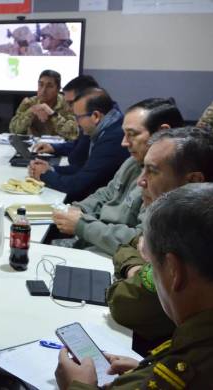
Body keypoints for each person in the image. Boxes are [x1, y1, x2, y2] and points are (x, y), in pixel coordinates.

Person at [55, 182, 213, 389]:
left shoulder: (186, 370)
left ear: (174, 271)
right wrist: (144, 369)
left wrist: (76, 385)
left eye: (153, 267)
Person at [107, 127, 213, 353]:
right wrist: (139, 265)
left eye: (152, 171)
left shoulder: (190, 238)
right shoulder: (171, 217)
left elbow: (122, 303)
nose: (140, 181)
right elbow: (130, 245)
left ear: (193, 180)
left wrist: (135, 270)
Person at [51, 99, 183, 256]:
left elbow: (142, 241)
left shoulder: (170, 179)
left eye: (132, 134)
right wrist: (80, 209)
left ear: (162, 133)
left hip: (115, 257)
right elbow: (107, 192)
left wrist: (83, 225)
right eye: (124, 134)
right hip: (95, 242)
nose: (124, 143)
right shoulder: (133, 161)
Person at [29, 88, 130, 203]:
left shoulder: (113, 139)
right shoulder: (108, 126)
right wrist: (51, 169)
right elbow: (86, 169)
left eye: (78, 118)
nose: (76, 123)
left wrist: (44, 174)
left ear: (96, 116)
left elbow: (77, 186)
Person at [34, 75, 101, 168]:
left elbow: (77, 162)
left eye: (71, 103)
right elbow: (77, 144)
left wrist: (48, 172)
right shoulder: (30, 102)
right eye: (40, 85)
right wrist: (53, 147)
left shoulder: (108, 132)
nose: (43, 90)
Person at [9, 70, 78, 140]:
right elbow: (13, 130)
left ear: (58, 89)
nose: (43, 90)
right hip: (33, 147)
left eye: (49, 86)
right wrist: (31, 111)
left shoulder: (67, 104)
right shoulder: (29, 103)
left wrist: (52, 114)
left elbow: (73, 134)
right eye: (41, 85)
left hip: (58, 148)